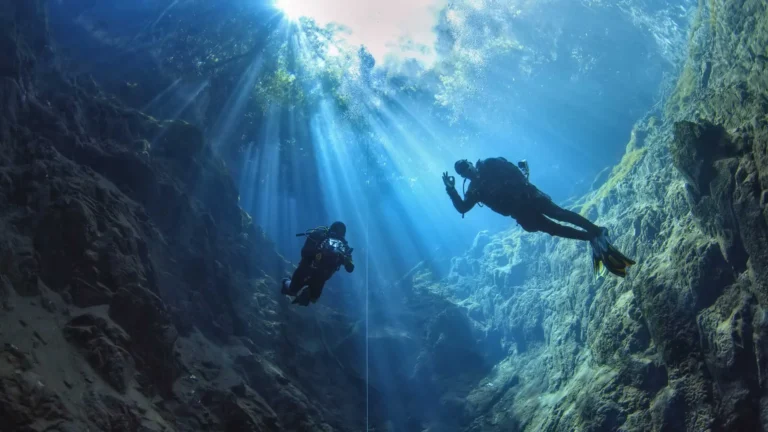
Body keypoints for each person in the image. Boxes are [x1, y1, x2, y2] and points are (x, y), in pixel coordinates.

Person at [442, 157, 635, 277]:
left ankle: (598, 231)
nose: (468, 171)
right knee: (553, 229)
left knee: (560, 214)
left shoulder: (489, 165)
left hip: (530, 197)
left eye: (467, 166)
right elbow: (462, 208)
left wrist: (523, 189)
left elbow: (513, 170)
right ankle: (592, 237)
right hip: (521, 213)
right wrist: (451, 190)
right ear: (462, 176)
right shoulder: (474, 191)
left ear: (469, 162)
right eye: (464, 172)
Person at [281, 221, 355, 305]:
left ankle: (305, 293)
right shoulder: (318, 235)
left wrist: (346, 260)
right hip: (305, 270)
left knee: (312, 299)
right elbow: (304, 252)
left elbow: (350, 268)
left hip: (320, 277)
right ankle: (286, 281)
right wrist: (318, 252)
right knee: (291, 290)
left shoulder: (343, 247)